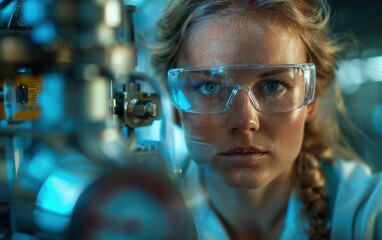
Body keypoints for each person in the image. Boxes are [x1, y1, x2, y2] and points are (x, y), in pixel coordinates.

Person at [151, 0, 382, 239]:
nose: (245, 121)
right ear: (175, 105)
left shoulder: (367, 214)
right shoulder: (137, 214)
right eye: (209, 87)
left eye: (273, 86)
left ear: (311, 100)